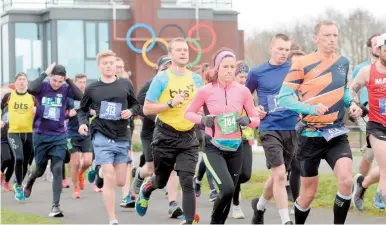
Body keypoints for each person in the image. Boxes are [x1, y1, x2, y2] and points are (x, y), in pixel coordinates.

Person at [277, 20, 363, 224]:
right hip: (310, 135)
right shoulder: (302, 63)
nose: (332, 39)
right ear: (315, 38)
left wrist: (352, 103)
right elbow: (284, 97)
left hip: (336, 132)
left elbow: (343, 90)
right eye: (327, 35)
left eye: (335, 35)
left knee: (347, 180)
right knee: (308, 193)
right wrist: (310, 108)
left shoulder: (343, 62)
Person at [185, 48, 259, 224]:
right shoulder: (205, 91)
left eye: (232, 66)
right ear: (217, 68)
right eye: (225, 66)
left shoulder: (243, 91)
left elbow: (256, 119)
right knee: (226, 189)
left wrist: (247, 120)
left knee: (230, 192)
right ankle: (214, 221)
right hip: (214, 147)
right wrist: (203, 120)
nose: (229, 70)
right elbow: (188, 114)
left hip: (236, 148)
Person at [135, 37, 202, 225]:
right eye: (179, 50)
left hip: (188, 136)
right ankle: (148, 187)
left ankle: (189, 221)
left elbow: (202, 104)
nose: (183, 53)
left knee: (187, 180)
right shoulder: (162, 78)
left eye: (186, 50)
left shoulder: (195, 78)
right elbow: (147, 108)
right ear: (170, 55)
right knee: (162, 181)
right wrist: (170, 103)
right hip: (165, 136)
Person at [77, 50, 140, 225]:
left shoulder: (125, 84)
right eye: (105, 64)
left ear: (115, 65)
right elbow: (82, 109)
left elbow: (136, 105)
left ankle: (99, 169)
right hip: (101, 135)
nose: (108, 66)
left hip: (121, 135)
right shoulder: (92, 88)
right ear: (100, 66)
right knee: (109, 177)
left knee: (121, 181)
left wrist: (131, 111)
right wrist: (83, 123)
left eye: (111, 63)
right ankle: (112, 219)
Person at [246, 34, 298, 225]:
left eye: (287, 49)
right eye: (280, 49)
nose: (284, 53)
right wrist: (254, 109)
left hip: (291, 127)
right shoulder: (257, 72)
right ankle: (285, 221)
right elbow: (245, 96)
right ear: (271, 48)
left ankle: (259, 207)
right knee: (280, 176)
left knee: (278, 175)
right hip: (269, 127)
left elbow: (303, 92)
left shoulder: (294, 69)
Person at [23, 63, 83, 217]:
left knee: (57, 169)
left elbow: (80, 97)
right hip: (41, 134)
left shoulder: (65, 88)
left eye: (60, 81)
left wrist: (68, 80)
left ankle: (55, 206)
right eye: (54, 80)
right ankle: (31, 179)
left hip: (59, 135)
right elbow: (30, 88)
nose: (57, 84)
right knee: (40, 169)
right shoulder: (42, 87)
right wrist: (45, 72)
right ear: (50, 77)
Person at [132, 55, 183, 218]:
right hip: (150, 132)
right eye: (164, 68)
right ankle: (140, 175)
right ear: (157, 69)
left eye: (170, 68)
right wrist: (157, 114)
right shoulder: (149, 85)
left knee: (173, 168)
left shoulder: (177, 85)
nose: (167, 71)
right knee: (151, 168)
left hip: (170, 133)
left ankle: (173, 204)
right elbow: (138, 107)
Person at [350, 33, 386, 211]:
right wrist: (355, 105)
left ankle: (361, 187)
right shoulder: (366, 70)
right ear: (378, 50)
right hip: (375, 123)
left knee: (383, 166)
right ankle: (381, 195)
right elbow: (352, 90)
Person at [0, 72, 35, 200]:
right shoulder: (9, 96)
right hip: (13, 132)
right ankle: (19, 186)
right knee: (18, 158)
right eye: (19, 79)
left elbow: (40, 113)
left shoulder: (32, 97)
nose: (21, 81)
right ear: (15, 83)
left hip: (29, 133)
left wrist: (36, 113)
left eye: (23, 79)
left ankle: (17, 183)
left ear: (27, 82)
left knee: (25, 161)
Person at [231, 60, 254, 219]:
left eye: (246, 76)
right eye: (240, 76)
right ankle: (236, 205)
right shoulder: (230, 92)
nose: (243, 79)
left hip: (246, 137)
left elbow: (252, 115)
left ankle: (233, 189)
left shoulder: (249, 92)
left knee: (246, 174)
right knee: (235, 173)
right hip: (231, 137)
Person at [193, 63, 219, 202]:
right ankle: (213, 189)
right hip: (200, 125)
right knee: (208, 156)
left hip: (214, 126)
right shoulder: (199, 89)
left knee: (206, 157)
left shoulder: (218, 89)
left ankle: (197, 180)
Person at [66, 73, 93, 199]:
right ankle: (76, 187)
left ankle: (81, 174)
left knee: (87, 161)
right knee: (75, 162)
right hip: (71, 133)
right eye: (80, 82)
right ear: (75, 83)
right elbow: (60, 113)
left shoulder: (88, 97)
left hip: (86, 132)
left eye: (84, 82)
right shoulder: (69, 97)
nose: (82, 85)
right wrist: (68, 114)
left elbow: (93, 111)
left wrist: (93, 111)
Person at [286, 48, 305, 209]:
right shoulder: (285, 83)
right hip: (285, 128)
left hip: (304, 128)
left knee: (298, 166)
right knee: (293, 166)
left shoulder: (309, 82)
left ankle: (296, 200)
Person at [0, 106, 14, 192]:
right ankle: (1, 172)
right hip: (3, 139)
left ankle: (6, 182)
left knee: (12, 163)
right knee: (7, 158)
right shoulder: (5, 109)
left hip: (13, 138)